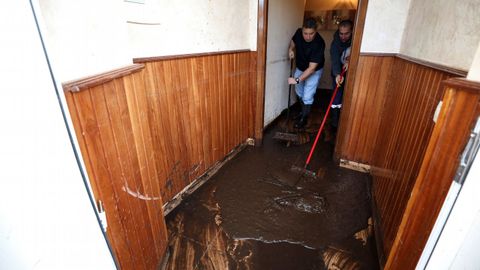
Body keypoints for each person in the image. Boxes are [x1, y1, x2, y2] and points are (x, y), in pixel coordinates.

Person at [288, 18, 326, 128]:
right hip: (301, 66)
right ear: (302, 30)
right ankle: (302, 112)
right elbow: (293, 41)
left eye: (311, 34)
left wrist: (297, 79)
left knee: (308, 95)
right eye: (305, 33)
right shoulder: (298, 32)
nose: (308, 36)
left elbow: (311, 68)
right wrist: (291, 49)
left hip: (314, 70)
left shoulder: (319, 43)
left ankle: (304, 119)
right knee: (299, 91)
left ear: (316, 31)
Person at [329, 19, 353, 131]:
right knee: (337, 93)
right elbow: (334, 60)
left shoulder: (356, 41)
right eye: (341, 33)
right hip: (337, 70)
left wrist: (351, 61)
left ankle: (346, 121)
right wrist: (337, 74)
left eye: (346, 33)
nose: (343, 36)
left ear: (352, 31)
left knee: (348, 94)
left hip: (352, 71)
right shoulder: (335, 43)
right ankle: (335, 122)